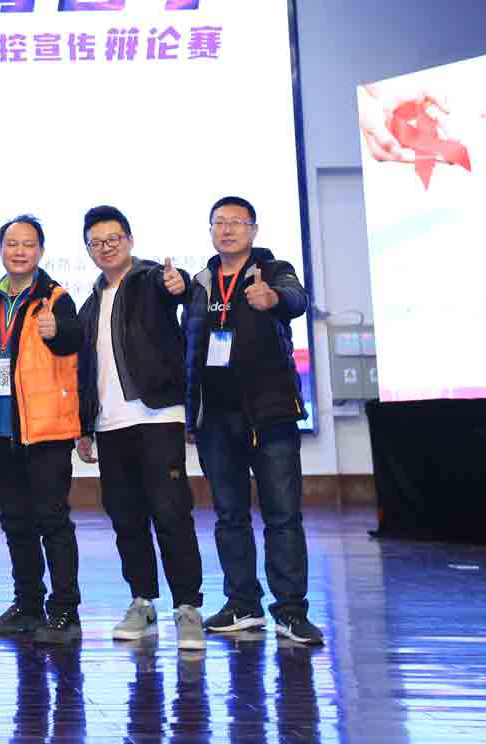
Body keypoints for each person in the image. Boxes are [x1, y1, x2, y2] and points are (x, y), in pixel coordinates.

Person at [185, 196, 323, 646]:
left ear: (254, 229)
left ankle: (291, 611)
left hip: (270, 416)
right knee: (229, 516)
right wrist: (191, 414)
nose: (227, 230)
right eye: (219, 223)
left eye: (236, 222)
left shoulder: (274, 269)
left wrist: (273, 298)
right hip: (215, 418)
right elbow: (190, 350)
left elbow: (297, 300)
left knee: (283, 516)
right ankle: (243, 604)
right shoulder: (201, 283)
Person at [76, 205, 205, 650]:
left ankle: (188, 608)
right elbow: (86, 370)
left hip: (156, 419)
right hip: (109, 426)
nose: (105, 247)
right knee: (126, 519)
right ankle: (142, 602)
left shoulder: (150, 280)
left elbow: (176, 288)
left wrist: (178, 282)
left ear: (129, 240)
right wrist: (85, 426)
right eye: (96, 242)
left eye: (113, 239)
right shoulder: (91, 302)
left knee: (171, 514)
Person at [0, 215, 86, 645]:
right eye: (11, 244)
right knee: (15, 522)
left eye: (28, 244)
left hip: (45, 431)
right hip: (1, 429)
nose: (19, 251)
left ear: (40, 250)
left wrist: (58, 332)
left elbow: (74, 341)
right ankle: (27, 606)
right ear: (0, 249)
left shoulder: (55, 297)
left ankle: (65, 611)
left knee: (52, 521)